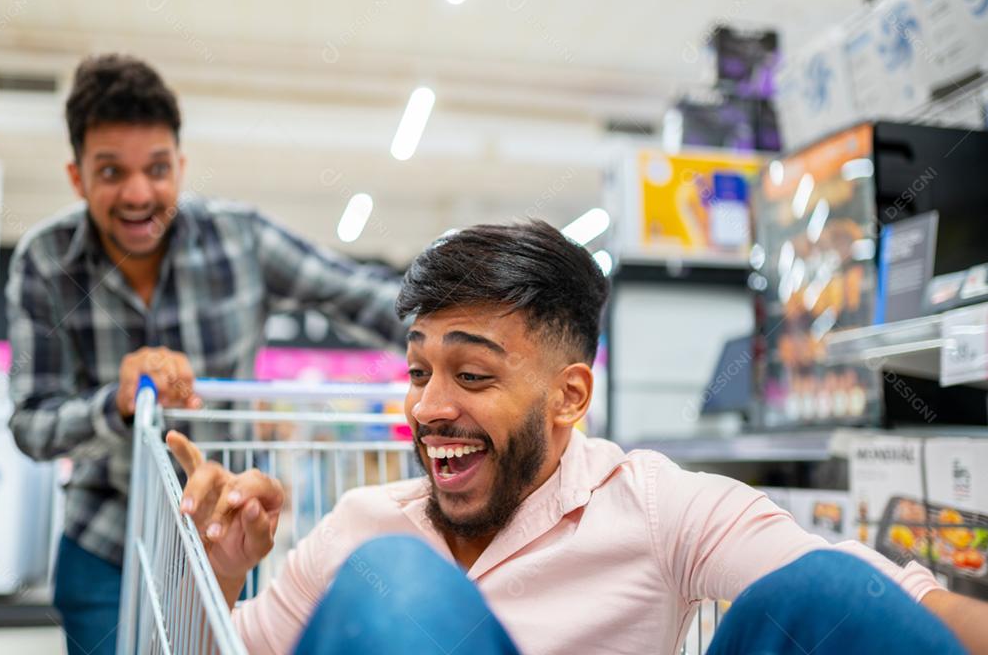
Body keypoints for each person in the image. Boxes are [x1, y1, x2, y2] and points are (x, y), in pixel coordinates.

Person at [168, 221, 988, 654]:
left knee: (828, 598)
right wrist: (221, 567)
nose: (429, 407)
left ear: (569, 397)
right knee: (398, 583)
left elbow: (897, 606)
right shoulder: (361, 527)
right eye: (420, 373)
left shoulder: (655, 506)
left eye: (474, 376)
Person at [6, 54, 405, 655]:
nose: (139, 193)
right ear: (77, 176)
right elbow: (31, 423)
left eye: (157, 169)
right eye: (111, 171)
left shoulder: (239, 241)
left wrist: (469, 321)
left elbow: (360, 296)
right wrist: (114, 403)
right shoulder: (44, 263)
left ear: (181, 167)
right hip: (104, 542)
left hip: (225, 534)